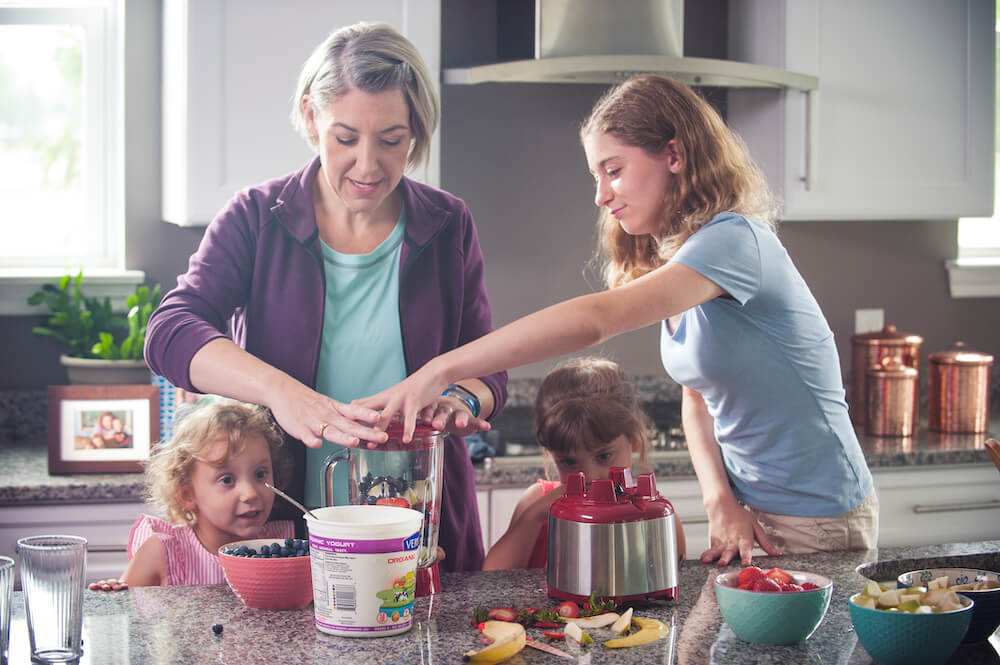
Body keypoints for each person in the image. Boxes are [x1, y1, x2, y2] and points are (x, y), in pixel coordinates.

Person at [359, 74, 877, 566]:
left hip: (815, 515)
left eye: (613, 170)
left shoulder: (733, 242)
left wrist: (440, 369)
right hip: (748, 509)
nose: (601, 195)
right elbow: (697, 398)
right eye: (597, 176)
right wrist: (720, 501)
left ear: (674, 155)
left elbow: (596, 320)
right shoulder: (683, 256)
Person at [144, 22, 507, 572]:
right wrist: (283, 394)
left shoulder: (447, 222)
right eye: (346, 138)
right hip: (286, 532)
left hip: (423, 528)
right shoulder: (255, 218)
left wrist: (462, 399)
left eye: (392, 140)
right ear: (311, 117)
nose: (368, 165)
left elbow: (487, 366)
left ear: (415, 131)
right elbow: (170, 332)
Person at [483, 357, 686, 570]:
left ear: (634, 440)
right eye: (568, 462)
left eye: (604, 456)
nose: (589, 477)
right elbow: (492, 579)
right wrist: (532, 517)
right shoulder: (537, 502)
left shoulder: (656, 517)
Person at [89, 399, 295, 589]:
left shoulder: (284, 546)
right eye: (227, 480)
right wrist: (113, 592)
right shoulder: (163, 553)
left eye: (260, 474)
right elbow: (124, 609)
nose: (250, 493)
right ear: (187, 495)